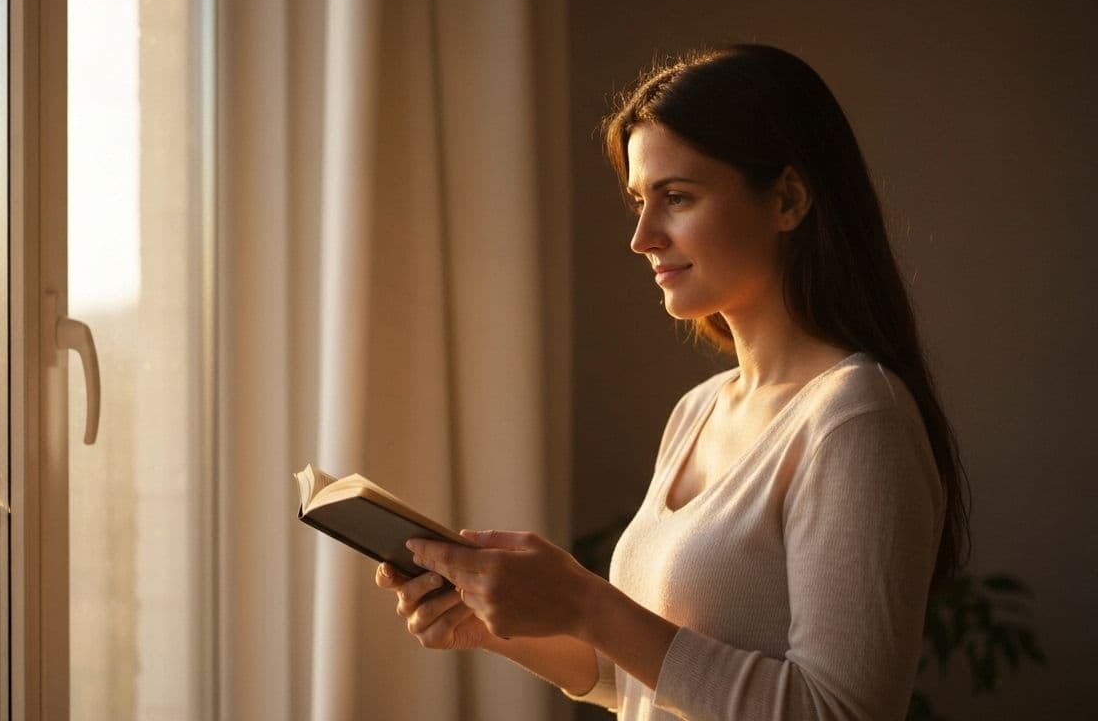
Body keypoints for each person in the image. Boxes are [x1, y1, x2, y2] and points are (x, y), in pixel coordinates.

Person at [375, 44, 970, 719]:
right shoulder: (700, 410)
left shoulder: (856, 418)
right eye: (638, 200)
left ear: (789, 199)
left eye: (677, 198)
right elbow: (646, 678)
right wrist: (494, 625)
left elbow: (838, 712)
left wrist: (584, 601)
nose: (643, 237)